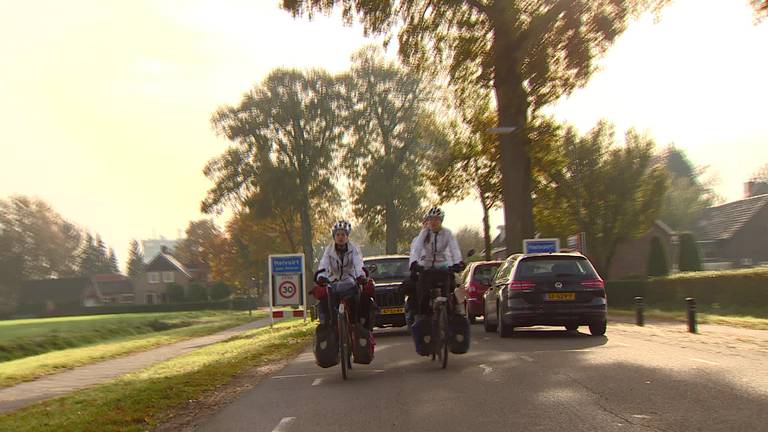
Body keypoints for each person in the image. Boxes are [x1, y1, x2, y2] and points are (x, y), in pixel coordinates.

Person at [312, 220, 375, 330]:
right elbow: (323, 264)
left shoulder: (354, 249)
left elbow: (358, 263)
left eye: (343, 234)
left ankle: (357, 323)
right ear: (334, 236)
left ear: (347, 236)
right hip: (333, 282)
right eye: (338, 234)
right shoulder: (328, 250)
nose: (340, 237)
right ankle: (328, 324)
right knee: (325, 303)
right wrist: (321, 276)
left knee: (359, 301)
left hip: (350, 281)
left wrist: (360, 276)